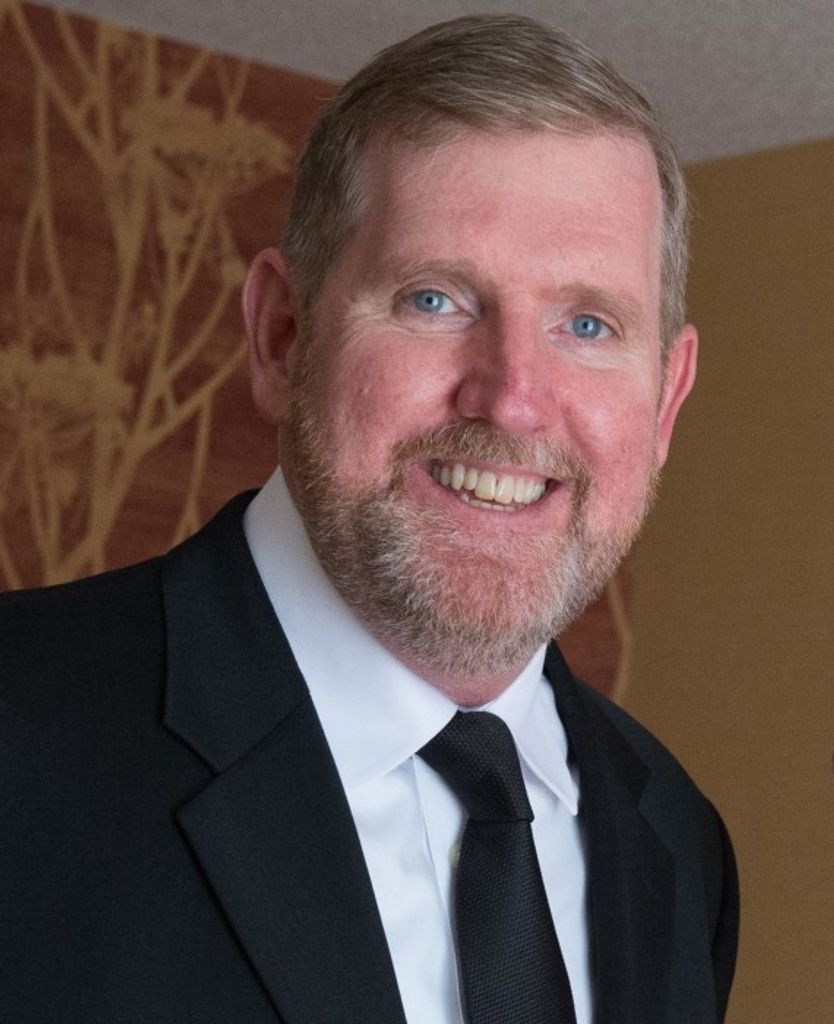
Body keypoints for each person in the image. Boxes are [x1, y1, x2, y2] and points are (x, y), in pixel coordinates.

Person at [0, 14, 738, 1024]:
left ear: (665, 403)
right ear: (282, 335)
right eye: (435, 300)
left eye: (587, 324)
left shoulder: (679, 842)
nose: (512, 399)